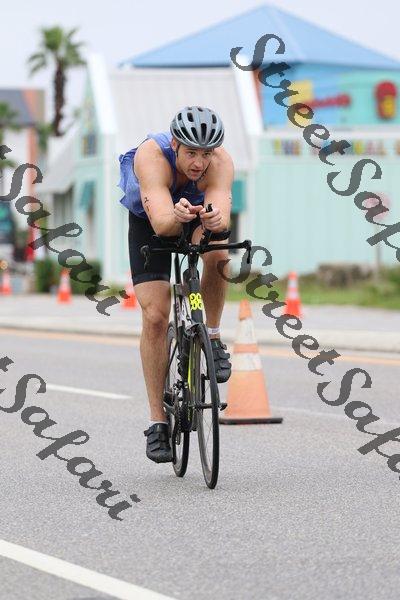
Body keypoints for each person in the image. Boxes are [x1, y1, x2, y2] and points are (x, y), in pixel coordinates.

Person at [118, 106, 233, 463]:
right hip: (152, 220)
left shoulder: (220, 163)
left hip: (193, 214)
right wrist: (176, 217)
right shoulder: (151, 157)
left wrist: (213, 220)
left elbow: (222, 218)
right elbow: (164, 224)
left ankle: (212, 335)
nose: (199, 162)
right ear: (175, 145)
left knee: (219, 252)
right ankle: (157, 423)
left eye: (206, 154)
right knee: (155, 316)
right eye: (191, 153)